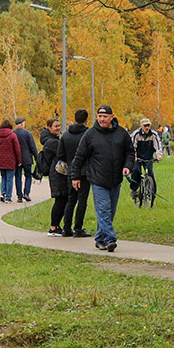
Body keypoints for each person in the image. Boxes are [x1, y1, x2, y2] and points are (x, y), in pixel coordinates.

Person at [69, 105, 135, 252]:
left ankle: (100, 239)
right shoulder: (90, 135)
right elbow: (79, 157)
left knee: (110, 211)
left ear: (112, 117)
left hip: (116, 178)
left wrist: (127, 166)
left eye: (105, 116)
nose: (102, 119)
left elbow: (130, 152)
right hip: (97, 178)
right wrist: (76, 176)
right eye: (99, 116)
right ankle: (110, 239)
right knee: (103, 209)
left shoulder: (121, 133)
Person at [58, 109, 93, 237]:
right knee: (82, 200)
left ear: (75, 118)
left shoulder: (65, 135)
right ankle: (78, 228)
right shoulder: (88, 134)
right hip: (84, 171)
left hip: (71, 172)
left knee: (71, 200)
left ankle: (66, 228)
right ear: (86, 120)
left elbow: (60, 154)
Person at [36, 118, 68, 235]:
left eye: (59, 125)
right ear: (49, 128)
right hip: (57, 175)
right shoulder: (52, 142)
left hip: (58, 173)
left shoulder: (52, 139)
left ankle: (57, 226)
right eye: (56, 126)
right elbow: (63, 154)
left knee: (63, 199)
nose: (58, 128)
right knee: (60, 200)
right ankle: (53, 227)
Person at [128, 118, 163, 199]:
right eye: (145, 125)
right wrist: (134, 156)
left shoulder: (153, 134)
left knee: (151, 174)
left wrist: (159, 155)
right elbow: (132, 147)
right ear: (141, 126)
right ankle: (134, 189)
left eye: (148, 125)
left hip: (148, 157)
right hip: (137, 158)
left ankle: (153, 193)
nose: (147, 127)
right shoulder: (136, 134)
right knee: (136, 172)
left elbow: (158, 146)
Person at [0, 120, 22, 203]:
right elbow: (17, 149)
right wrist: (19, 160)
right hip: (11, 160)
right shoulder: (13, 135)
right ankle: (8, 197)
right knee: (10, 179)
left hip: (0, 159)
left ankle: (3, 193)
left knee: (4, 177)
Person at [14, 117, 39, 202]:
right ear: (21, 124)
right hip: (27, 158)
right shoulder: (28, 133)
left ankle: (19, 196)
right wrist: (37, 157)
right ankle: (26, 193)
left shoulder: (13, 134)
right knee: (28, 176)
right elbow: (32, 146)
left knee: (18, 177)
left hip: (17, 160)